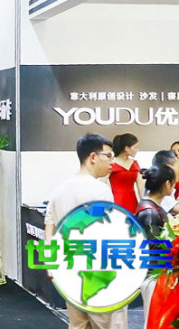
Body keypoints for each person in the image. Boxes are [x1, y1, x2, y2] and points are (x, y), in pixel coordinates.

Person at [44, 133, 127, 329]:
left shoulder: (60, 189)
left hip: (69, 272)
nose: (112, 162)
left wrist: (51, 263)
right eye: (108, 156)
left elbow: (50, 227)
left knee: (78, 325)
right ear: (93, 157)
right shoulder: (100, 190)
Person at [135, 164, 175, 329]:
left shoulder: (152, 208)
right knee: (155, 322)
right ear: (167, 184)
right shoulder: (150, 212)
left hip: (158, 275)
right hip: (154, 276)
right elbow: (154, 249)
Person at [109, 133, 143, 213]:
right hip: (116, 201)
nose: (137, 150)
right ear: (127, 148)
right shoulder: (111, 163)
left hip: (132, 201)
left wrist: (145, 205)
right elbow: (102, 183)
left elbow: (141, 188)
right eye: (135, 147)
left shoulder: (134, 163)